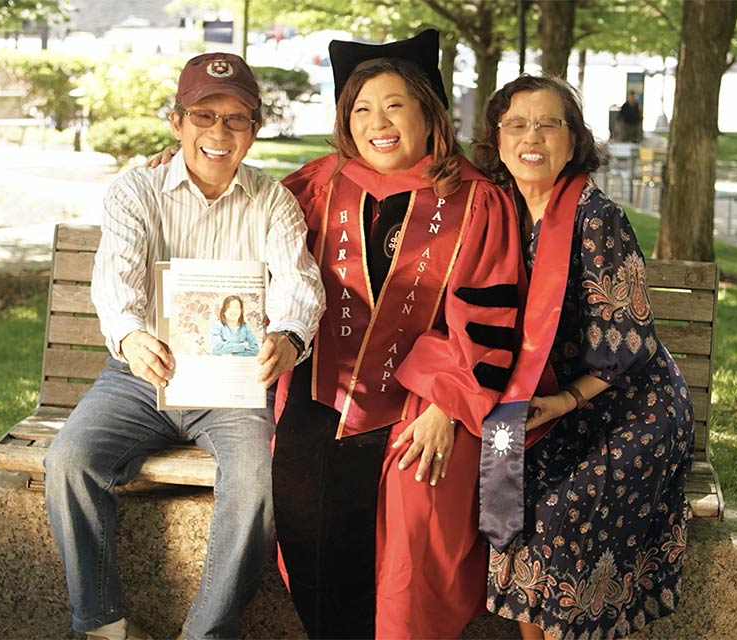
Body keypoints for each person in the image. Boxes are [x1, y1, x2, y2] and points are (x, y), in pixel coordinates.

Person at [44, 51, 325, 640]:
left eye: (235, 119)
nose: (218, 133)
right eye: (203, 115)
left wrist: (289, 334)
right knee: (70, 460)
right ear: (177, 122)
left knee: (255, 483)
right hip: (141, 375)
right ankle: (102, 625)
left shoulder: (272, 202)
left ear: (254, 129)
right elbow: (115, 278)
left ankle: (205, 633)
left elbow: (300, 281)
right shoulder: (137, 191)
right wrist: (130, 332)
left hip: (232, 385)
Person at [272, 30, 523, 639]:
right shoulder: (317, 186)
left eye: (393, 106)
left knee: (414, 512)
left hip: (427, 396)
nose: (376, 123)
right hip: (317, 387)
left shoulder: (476, 202)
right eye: (360, 109)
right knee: (303, 509)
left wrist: (445, 402)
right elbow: (238, 223)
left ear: (427, 113)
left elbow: (492, 317)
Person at [472, 74, 694, 639]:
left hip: (626, 405)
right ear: (497, 139)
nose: (533, 136)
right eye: (517, 123)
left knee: (556, 515)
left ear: (573, 140)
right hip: (548, 405)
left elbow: (629, 337)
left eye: (550, 123)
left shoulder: (596, 218)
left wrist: (566, 399)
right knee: (514, 506)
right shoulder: (499, 212)